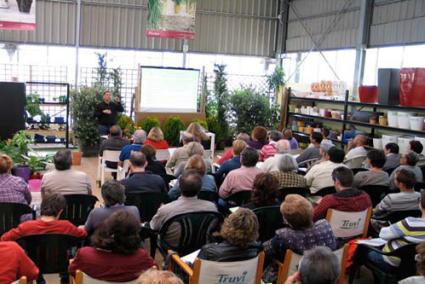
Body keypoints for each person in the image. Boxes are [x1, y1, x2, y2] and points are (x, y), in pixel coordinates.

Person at [263, 195, 337, 282]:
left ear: (287, 220)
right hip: (325, 273)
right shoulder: (325, 225)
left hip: (291, 276)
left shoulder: (284, 236)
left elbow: (265, 251)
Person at [69, 211, 156, 282]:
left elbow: (72, 271)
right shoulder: (142, 258)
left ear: (106, 230)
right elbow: (155, 272)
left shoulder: (85, 255)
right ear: (135, 234)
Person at [149, 170, 218, 246]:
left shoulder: (165, 210)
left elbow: (153, 226)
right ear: (200, 188)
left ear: (179, 187)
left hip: (173, 250)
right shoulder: (212, 208)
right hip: (202, 247)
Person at [361, 190, 425, 270]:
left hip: (392, 261)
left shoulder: (410, 223)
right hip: (419, 263)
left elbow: (383, 234)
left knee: (363, 249)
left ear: (420, 204)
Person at [1, 193, 87, 241]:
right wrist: (81, 228)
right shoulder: (67, 226)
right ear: (61, 211)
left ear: (41, 208)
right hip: (60, 264)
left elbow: (4, 238)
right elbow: (83, 234)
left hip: (33, 263)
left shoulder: (26, 226)